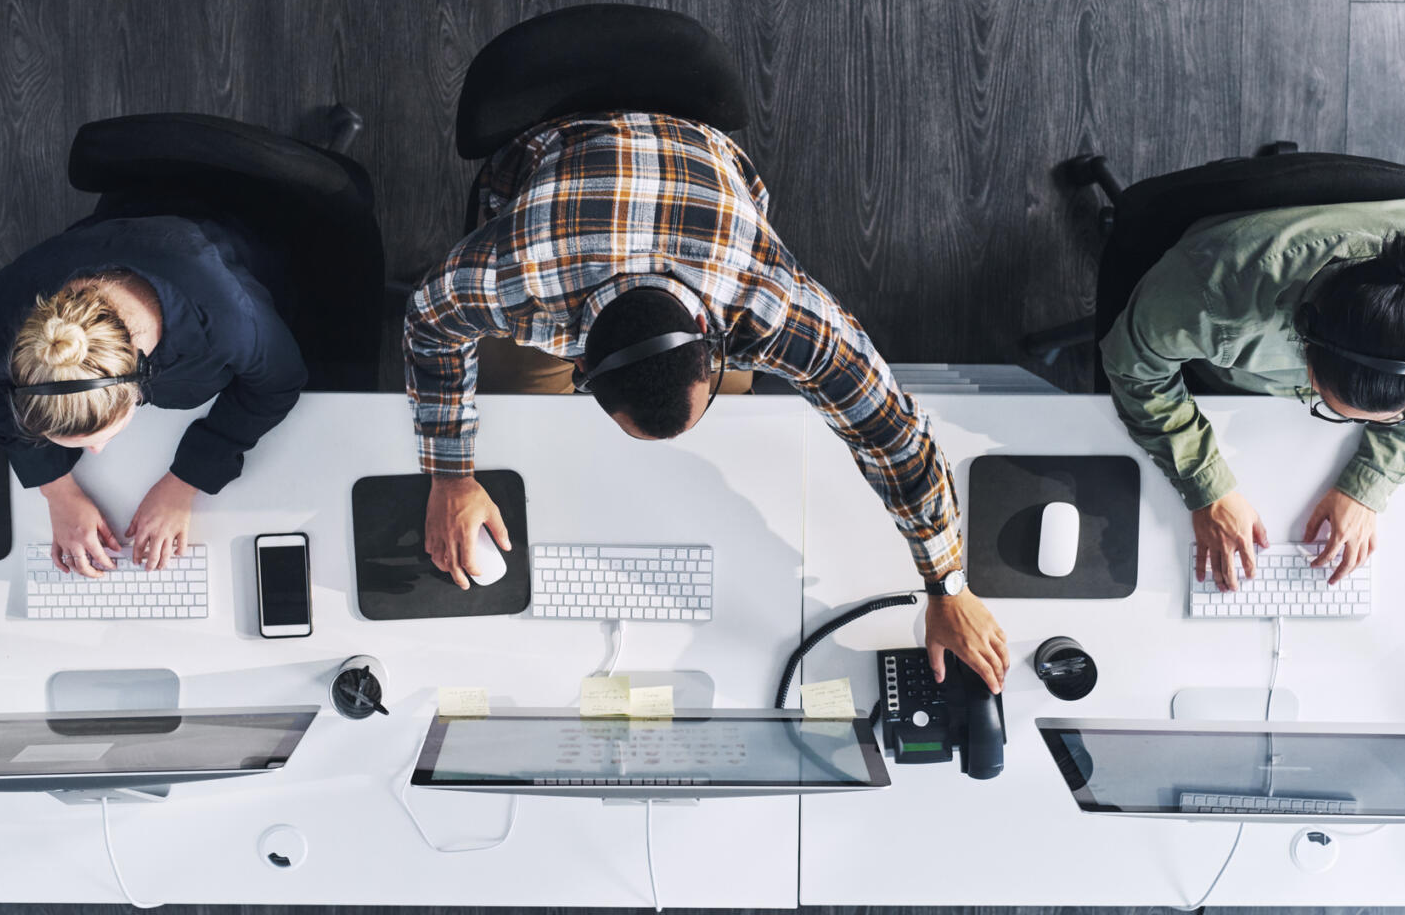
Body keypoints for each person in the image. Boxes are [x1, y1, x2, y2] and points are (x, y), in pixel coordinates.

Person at [403, 111, 1009, 690]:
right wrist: (451, 477)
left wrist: (948, 586)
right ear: (579, 365)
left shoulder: (766, 300)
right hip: (556, 159)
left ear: (714, 346)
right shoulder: (517, 277)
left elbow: (894, 434)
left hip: (700, 197)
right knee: (517, 413)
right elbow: (429, 322)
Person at [1100, 200, 1405, 591]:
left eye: (1397, 413)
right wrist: (1207, 487)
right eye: (1334, 408)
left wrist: (1370, 482)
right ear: (1305, 351)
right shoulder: (1209, 295)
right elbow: (1135, 370)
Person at [0, 215, 306, 577]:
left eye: (101, 437)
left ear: (137, 384)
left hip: (246, 232)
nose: (95, 451)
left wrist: (186, 480)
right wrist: (57, 490)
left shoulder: (229, 323)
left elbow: (278, 382)